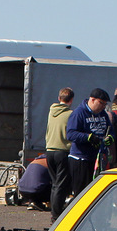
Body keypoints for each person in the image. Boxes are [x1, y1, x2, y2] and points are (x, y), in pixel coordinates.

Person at [65, 88, 117, 200]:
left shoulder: (103, 114)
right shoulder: (78, 113)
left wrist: (110, 137)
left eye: (105, 104)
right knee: (82, 193)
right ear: (92, 100)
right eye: (101, 103)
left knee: (96, 193)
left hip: (98, 158)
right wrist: (88, 137)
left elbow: (110, 130)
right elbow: (70, 134)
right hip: (81, 159)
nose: (103, 106)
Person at [45, 88, 74, 219]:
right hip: (62, 150)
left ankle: (53, 211)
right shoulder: (71, 114)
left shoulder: (51, 112)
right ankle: (56, 215)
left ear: (59, 98)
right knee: (62, 184)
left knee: (54, 183)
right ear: (71, 100)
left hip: (49, 150)